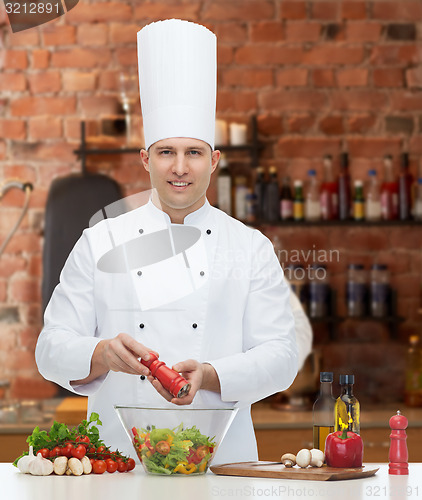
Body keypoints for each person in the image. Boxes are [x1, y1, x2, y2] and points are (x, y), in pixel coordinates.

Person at [35, 19, 301, 464]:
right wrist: (100, 353)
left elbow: (282, 357)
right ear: (146, 158)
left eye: (193, 152)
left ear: (214, 161)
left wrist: (213, 374)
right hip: (119, 465)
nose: (180, 167)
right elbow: (50, 349)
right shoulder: (100, 241)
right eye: (166, 152)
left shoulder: (249, 247)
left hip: (222, 467)